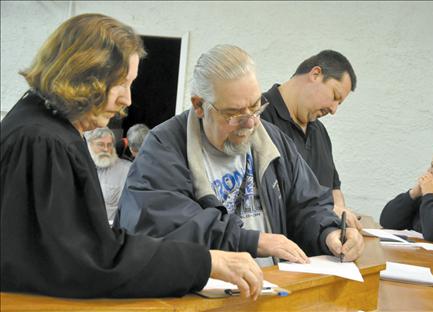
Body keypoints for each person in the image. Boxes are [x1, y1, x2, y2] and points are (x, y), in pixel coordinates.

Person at [0, 14, 263, 299]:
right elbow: (90, 262)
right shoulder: (43, 142)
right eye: (122, 83)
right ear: (84, 74)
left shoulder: (42, 127)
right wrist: (206, 262)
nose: (128, 99)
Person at [116, 44, 364, 267]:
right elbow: (164, 225)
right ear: (200, 106)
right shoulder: (164, 147)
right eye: (234, 114)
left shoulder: (272, 140)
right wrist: (252, 241)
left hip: (272, 290)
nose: (251, 123)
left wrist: (329, 232)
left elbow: (306, 204)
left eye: (256, 107)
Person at [261, 50, 362, 230]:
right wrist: (328, 211)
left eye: (339, 104)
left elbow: (333, 187)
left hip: (321, 248)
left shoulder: (319, 131)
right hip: (276, 250)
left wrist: (341, 211)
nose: (333, 110)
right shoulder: (258, 117)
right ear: (315, 74)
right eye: (335, 97)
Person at [86, 127, 132, 222]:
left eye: (109, 145)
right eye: (101, 144)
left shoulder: (127, 170)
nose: (106, 149)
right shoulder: (78, 166)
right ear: (88, 145)